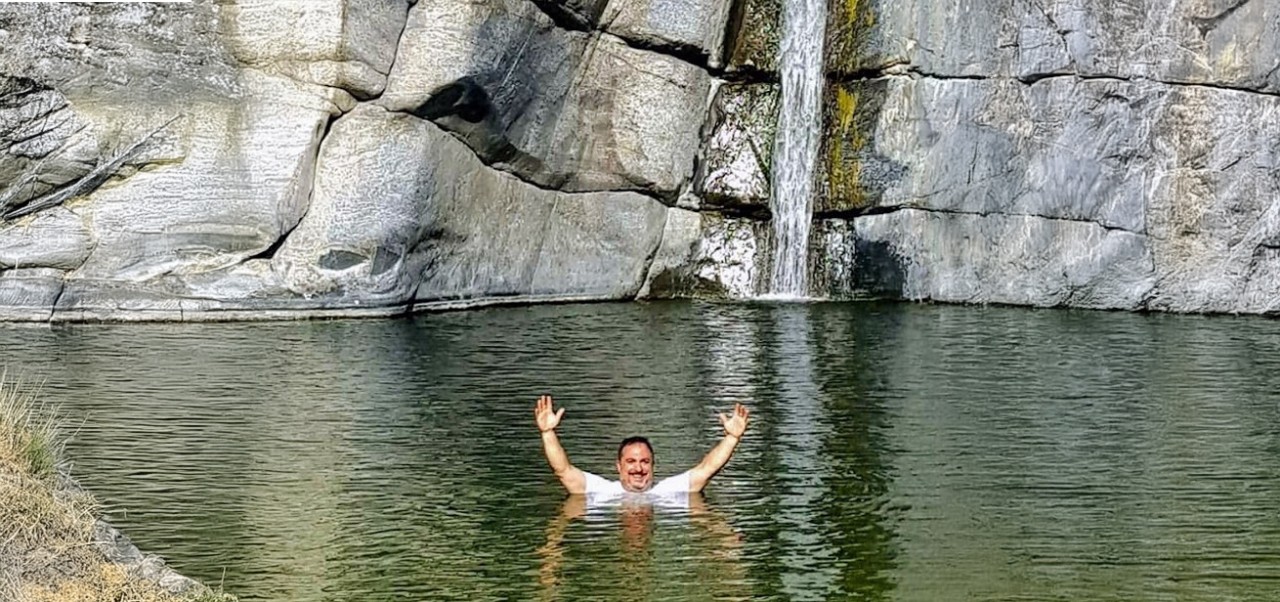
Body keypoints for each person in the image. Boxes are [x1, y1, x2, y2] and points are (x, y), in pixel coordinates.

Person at [534, 394, 749, 497]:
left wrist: (731, 438)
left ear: (654, 465)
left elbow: (707, 469)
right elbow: (563, 470)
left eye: (645, 461)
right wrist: (547, 432)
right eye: (631, 461)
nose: (638, 468)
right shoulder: (602, 492)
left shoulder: (667, 492)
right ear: (618, 466)